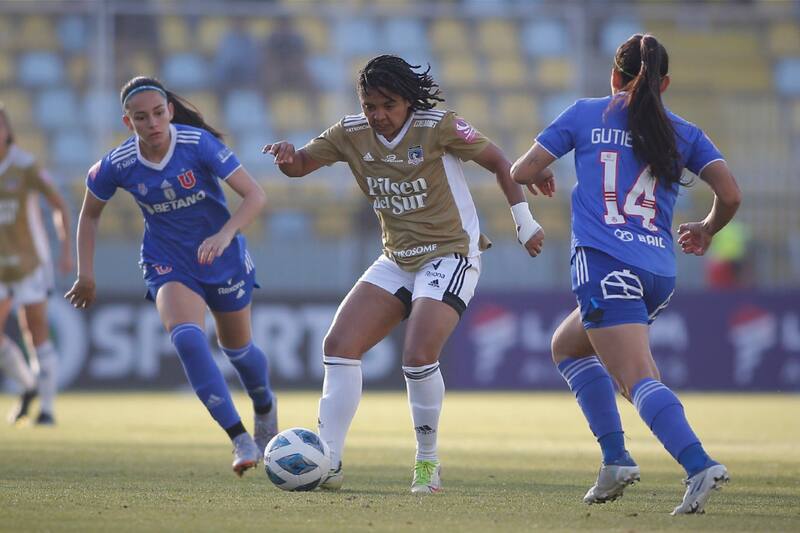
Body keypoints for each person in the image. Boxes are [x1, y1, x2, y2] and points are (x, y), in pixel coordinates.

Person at [263, 55, 548, 493]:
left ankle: (427, 464)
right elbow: (301, 165)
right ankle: (331, 461)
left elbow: (498, 161)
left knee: (417, 356)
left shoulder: (439, 126)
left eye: (388, 105)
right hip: (398, 258)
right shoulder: (350, 133)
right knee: (338, 345)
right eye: (370, 106)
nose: (378, 115)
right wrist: (286, 157)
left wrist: (523, 221)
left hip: (451, 253)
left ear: (408, 101)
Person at [511, 34, 741, 515]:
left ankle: (698, 464)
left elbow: (521, 169)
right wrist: (706, 229)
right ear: (666, 84)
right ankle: (615, 459)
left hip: (605, 265)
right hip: (657, 271)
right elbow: (731, 195)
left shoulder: (584, 114)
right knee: (567, 345)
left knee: (636, 377)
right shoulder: (684, 133)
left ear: (614, 77)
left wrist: (538, 174)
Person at [64, 77, 278, 476]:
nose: (152, 123)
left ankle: (265, 407)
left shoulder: (199, 145)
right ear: (128, 123)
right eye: (141, 118)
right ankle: (239, 437)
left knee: (239, 351)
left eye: (158, 113)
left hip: (223, 257)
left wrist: (225, 232)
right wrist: (86, 274)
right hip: (168, 261)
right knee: (187, 338)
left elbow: (256, 195)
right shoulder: (117, 164)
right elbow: (89, 214)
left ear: (170, 112)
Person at [0, 104, 74, 426]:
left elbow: (59, 204)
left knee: (36, 332)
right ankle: (29, 387)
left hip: (31, 263)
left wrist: (66, 249)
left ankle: (47, 409)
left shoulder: (26, 166)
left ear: (7, 130)